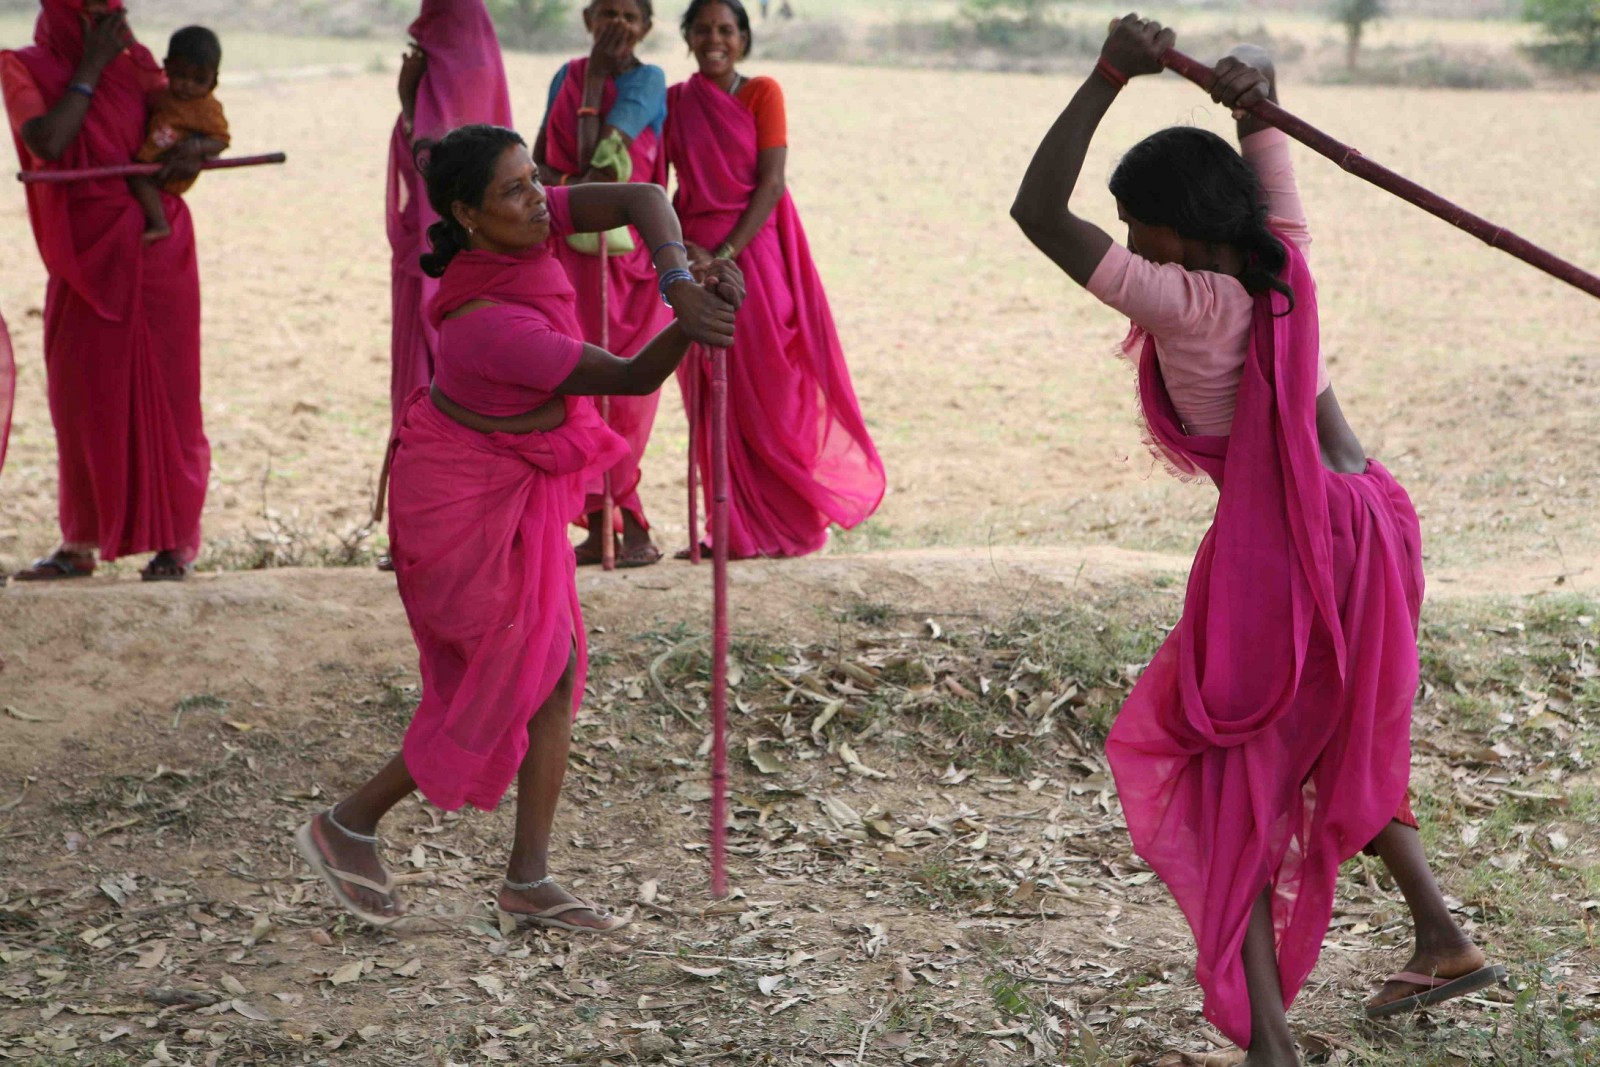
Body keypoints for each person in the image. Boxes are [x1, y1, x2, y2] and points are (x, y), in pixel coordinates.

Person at [1010, 16, 1501, 1065]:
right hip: (1373, 516)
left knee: (1231, 777)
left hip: (1288, 551)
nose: (1130, 244)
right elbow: (1266, 112)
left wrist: (1106, 75)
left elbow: (1033, 210)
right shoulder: (1284, 255)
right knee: (1338, 736)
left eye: (1137, 225)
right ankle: (1441, 935)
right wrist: (1252, 96)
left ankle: (1270, 1041)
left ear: (1183, 231)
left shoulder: (1184, 302)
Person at [295, 124, 744, 932]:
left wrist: (678, 278)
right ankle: (348, 822)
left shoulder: (530, 221)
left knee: (554, 667)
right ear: (469, 212)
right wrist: (695, 318)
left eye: (535, 179)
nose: (539, 199)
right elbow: (636, 375)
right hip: (461, 498)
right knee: (515, 671)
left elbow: (644, 197)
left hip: (513, 475)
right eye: (515, 189)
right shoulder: (489, 324)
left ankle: (526, 879)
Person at [665, 0, 884, 559]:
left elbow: (771, 182)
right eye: (703, 29)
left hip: (753, 254)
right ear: (687, 37)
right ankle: (733, 530)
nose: (715, 39)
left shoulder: (763, 92)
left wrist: (724, 252)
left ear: (744, 38)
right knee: (710, 392)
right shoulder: (675, 103)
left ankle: (787, 523)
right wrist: (686, 250)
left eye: (727, 29)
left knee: (770, 382)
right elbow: (659, 182)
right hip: (691, 257)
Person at [2, 0, 210, 582]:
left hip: (156, 246)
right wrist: (89, 68)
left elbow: (185, 121)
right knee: (81, 394)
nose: (108, 19)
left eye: (112, 10)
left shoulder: (140, 64)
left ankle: (175, 544)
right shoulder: (24, 67)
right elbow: (48, 141)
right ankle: (80, 543)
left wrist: (192, 151)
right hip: (83, 255)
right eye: (93, 11)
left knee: (171, 396)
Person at [534, 0, 673, 568]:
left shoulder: (648, 79)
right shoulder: (563, 76)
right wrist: (573, 182)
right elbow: (541, 159)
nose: (617, 26)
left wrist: (595, 76)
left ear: (647, 28)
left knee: (625, 399)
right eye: (606, 13)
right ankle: (604, 525)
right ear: (588, 19)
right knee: (578, 384)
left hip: (631, 263)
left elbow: (599, 164)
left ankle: (629, 521)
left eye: (630, 16)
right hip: (570, 254)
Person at [379, 0, 512, 572]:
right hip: (468, 257)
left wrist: (409, 100)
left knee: (433, 392)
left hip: (443, 257)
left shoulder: (450, 67)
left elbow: (435, 164)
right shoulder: (475, 61)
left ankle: (431, 536)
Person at [128, 25, 228, 244]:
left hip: (172, 170)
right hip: (153, 159)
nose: (188, 86)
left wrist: (198, 148)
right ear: (166, 68)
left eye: (199, 80)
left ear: (214, 81)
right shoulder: (162, 95)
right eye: (180, 75)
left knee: (137, 178)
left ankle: (160, 224)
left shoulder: (206, 107)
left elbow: (221, 140)